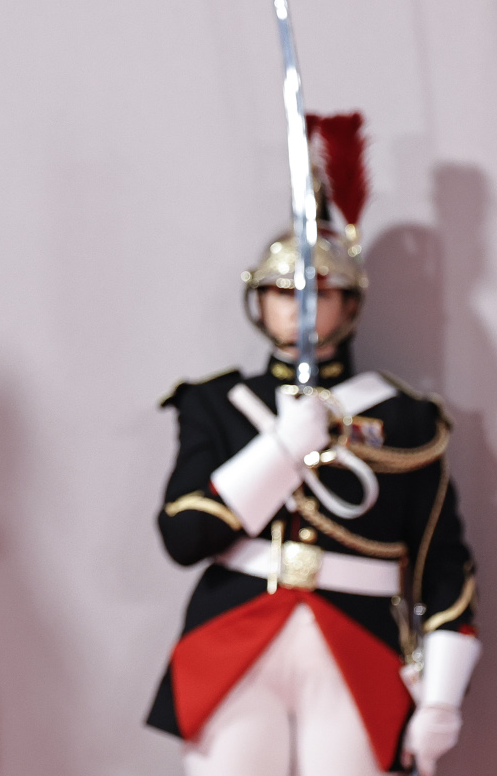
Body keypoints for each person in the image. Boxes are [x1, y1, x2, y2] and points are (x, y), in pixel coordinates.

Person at [148, 118, 480, 776]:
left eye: (321, 291)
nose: (300, 306)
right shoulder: (216, 403)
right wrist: (280, 449)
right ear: (257, 299)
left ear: (350, 304)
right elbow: (184, 534)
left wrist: (442, 696)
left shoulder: (407, 419)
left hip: (357, 638)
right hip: (237, 635)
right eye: (284, 290)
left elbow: (442, 565)